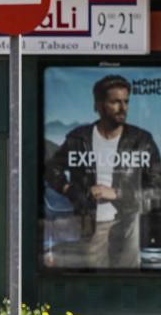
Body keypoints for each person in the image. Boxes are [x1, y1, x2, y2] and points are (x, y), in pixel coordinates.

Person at [45, 74, 161, 269]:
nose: (123, 108)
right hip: (91, 223)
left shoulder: (142, 141)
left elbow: (157, 187)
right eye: (115, 102)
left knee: (127, 279)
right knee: (93, 277)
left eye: (126, 102)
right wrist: (69, 189)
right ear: (98, 105)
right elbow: (51, 169)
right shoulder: (79, 138)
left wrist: (117, 193)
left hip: (129, 223)